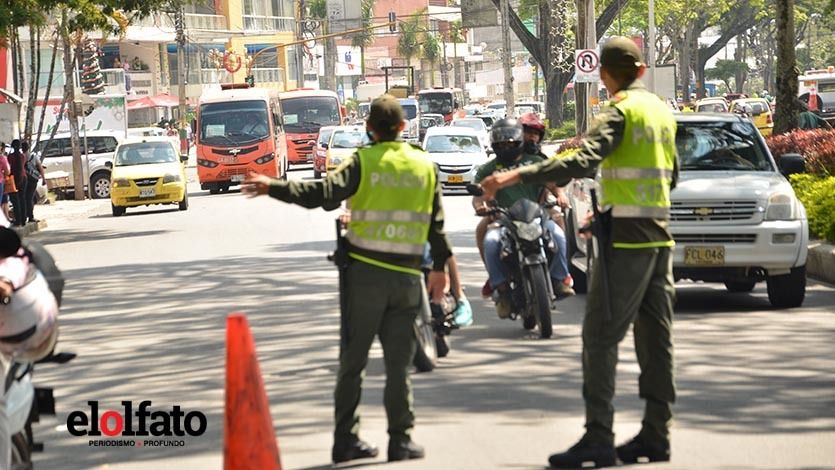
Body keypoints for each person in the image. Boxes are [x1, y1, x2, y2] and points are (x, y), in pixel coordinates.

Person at [480, 37, 678, 469]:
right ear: (641, 70)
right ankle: (656, 433)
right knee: (655, 338)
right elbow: (672, 175)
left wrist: (513, 176)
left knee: (600, 337)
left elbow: (581, 161)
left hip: (625, 240)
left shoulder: (621, 111)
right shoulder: (662, 112)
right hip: (659, 236)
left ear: (604, 75)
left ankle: (598, 437)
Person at [242, 95, 452, 465]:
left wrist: (272, 186)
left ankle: (346, 440)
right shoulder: (424, 165)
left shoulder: (363, 162)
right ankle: (400, 440)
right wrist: (440, 271)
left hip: (365, 277)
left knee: (353, 363)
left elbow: (321, 194)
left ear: (369, 128)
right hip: (407, 279)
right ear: (404, 127)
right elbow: (437, 226)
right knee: (398, 366)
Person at [473, 118, 575, 319]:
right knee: (491, 242)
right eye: (501, 144)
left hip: (537, 216)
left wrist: (560, 195)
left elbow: (553, 184)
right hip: (504, 220)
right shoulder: (488, 169)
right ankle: (500, 287)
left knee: (559, 237)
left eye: (510, 143)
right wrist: (481, 207)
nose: (506, 146)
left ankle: (559, 278)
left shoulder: (536, 162)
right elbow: (479, 196)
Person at [7, 140, 28, 227]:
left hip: (13, 179)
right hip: (23, 178)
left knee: (15, 201)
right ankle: (23, 219)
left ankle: (18, 220)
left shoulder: (10, 157)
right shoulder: (22, 156)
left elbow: (9, 168)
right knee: (22, 199)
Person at [23, 142, 45, 224]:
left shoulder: (21, 156)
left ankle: (24, 216)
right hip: (33, 179)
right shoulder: (34, 156)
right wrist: (43, 179)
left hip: (24, 179)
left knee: (24, 198)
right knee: (30, 198)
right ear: (28, 148)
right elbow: (40, 167)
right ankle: (30, 216)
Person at [0, 144, 10, 224]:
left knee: (4, 200)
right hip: (0, 181)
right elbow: (7, 171)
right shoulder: (2, 158)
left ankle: (5, 217)